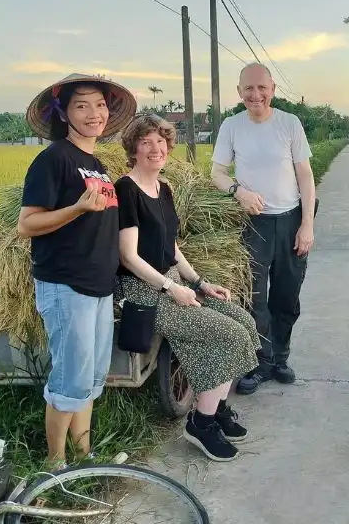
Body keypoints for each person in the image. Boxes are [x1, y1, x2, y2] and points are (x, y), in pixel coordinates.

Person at [115, 114, 261, 462]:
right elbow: (129, 256)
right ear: (133, 148)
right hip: (144, 292)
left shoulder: (163, 188)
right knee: (229, 335)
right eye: (146, 142)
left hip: (173, 283)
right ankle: (201, 423)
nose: (155, 148)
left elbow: (172, 246)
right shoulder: (126, 189)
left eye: (161, 141)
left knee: (243, 320)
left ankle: (216, 408)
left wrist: (199, 283)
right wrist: (172, 289)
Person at [17, 73, 137, 469]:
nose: (94, 113)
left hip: (98, 286)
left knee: (88, 379)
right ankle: (55, 466)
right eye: (81, 105)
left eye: (100, 104)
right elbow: (27, 225)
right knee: (69, 378)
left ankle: (84, 456)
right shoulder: (53, 159)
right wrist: (78, 209)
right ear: (63, 113)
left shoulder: (97, 164)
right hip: (66, 285)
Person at [210, 62, 317, 395]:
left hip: (290, 221)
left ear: (272, 88)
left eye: (261, 88)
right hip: (251, 224)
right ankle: (257, 363)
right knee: (253, 298)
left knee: (287, 296)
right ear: (239, 91)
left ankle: (280, 359)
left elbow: (305, 176)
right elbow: (217, 173)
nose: (255, 95)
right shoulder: (231, 126)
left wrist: (307, 225)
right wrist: (238, 192)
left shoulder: (289, 123)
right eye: (248, 89)